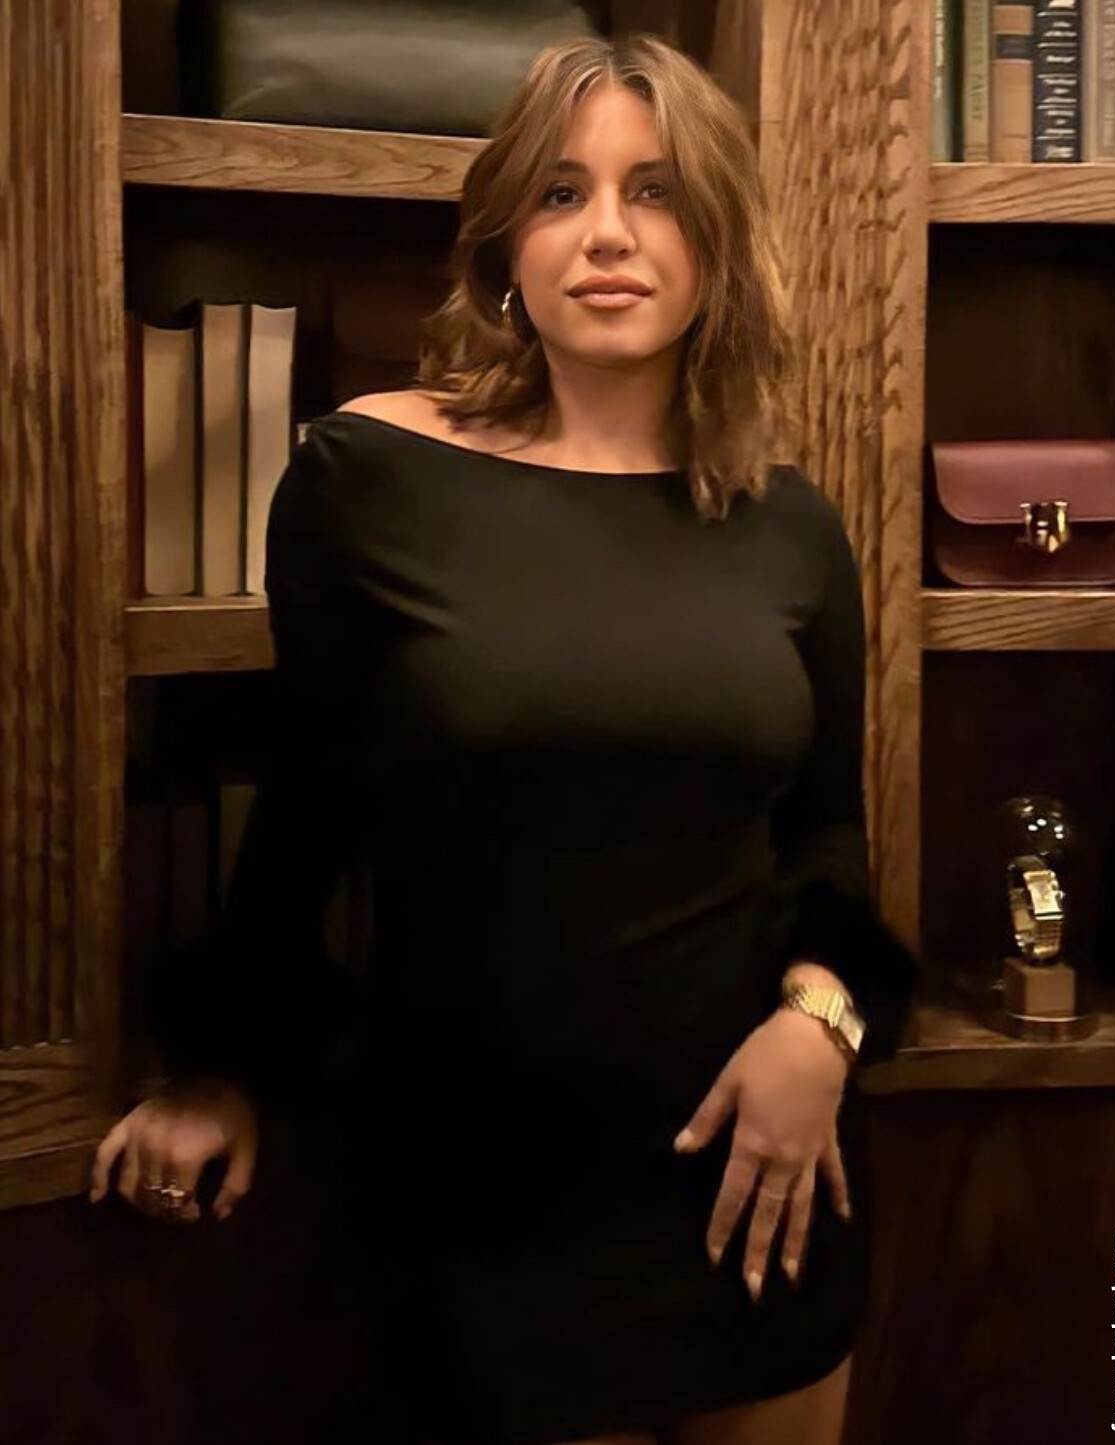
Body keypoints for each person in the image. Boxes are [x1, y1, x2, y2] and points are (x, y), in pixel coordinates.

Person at [90, 32, 917, 1445]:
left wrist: (820, 1027)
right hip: (495, 1197)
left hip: (760, 1168)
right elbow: (306, 809)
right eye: (560, 193)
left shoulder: (790, 523)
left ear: (717, 241)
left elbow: (824, 834)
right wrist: (225, 1066)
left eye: (656, 192)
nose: (609, 234)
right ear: (503, 246)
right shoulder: (366, 477)